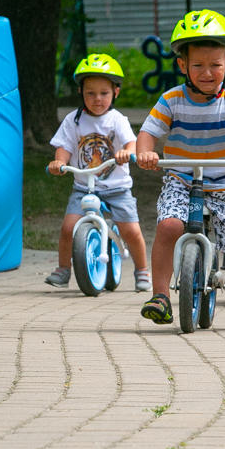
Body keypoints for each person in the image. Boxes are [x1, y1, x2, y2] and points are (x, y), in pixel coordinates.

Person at [136, 9, 225, 330]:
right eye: (198, 65)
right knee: (168, 226)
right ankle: (160, 296)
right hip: (182, 179)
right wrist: (145, 153)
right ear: (183, 65)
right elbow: (148, 132)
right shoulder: (171, 100)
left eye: (216, 65)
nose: (207, 73)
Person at [46, 54, 150, 292]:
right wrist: (58, 162)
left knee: (130, 229)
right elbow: (64, 147)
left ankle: (142, 270)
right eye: (90, 93)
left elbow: (131, 144)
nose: (97, 99)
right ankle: (63, 269)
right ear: (81, 92)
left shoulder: (117, 120)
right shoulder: (74, 120)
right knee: (68, 227)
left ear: (116, 92)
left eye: (104, 93)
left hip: (117, 188)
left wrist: (127, 152)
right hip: (84, 186)